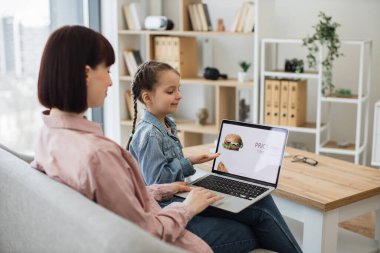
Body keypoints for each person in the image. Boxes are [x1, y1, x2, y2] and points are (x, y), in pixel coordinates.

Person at [127, 61, 302, 253]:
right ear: (147, 97)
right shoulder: (150, 134)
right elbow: (158, 183)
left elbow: (166, 167)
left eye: (179, 89)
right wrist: (186, 163)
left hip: (182, 196)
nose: (179, 95)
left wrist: (192, 160)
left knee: (258, 201)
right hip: (172, 204)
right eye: (170, 91)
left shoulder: (166, 124)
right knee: (260, 213)